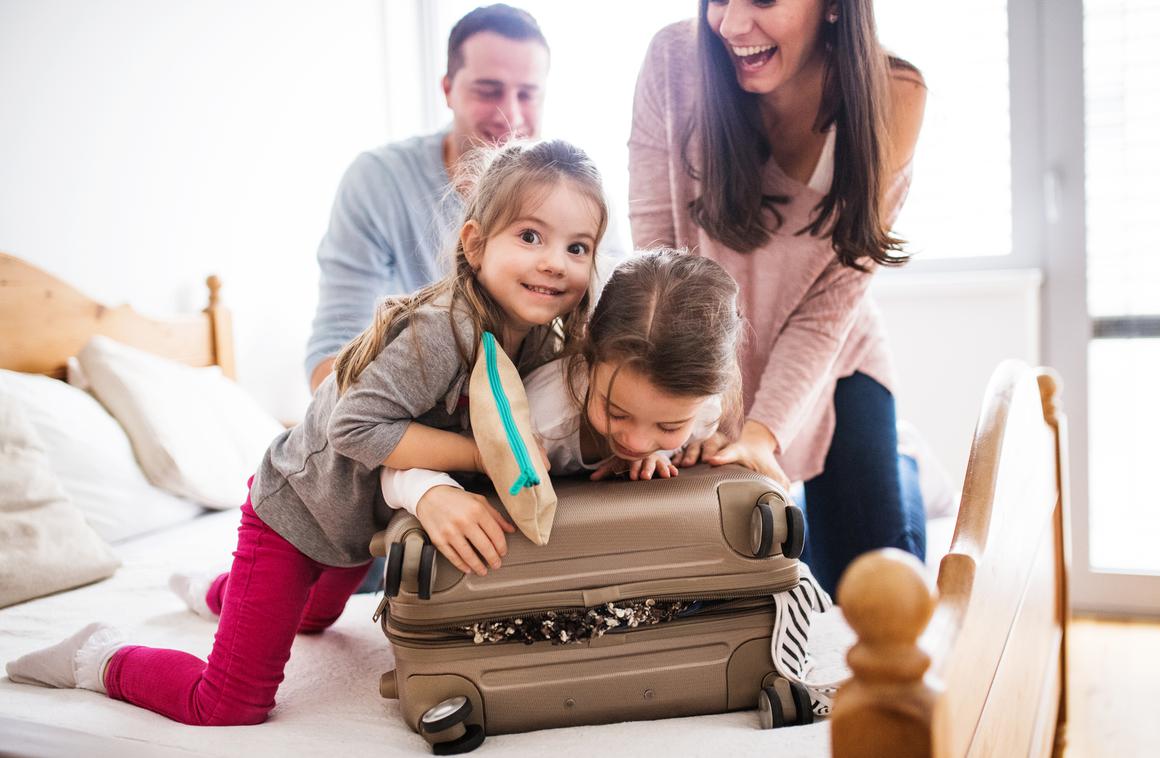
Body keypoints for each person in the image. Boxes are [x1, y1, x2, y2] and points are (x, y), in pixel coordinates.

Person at [4, 139, 609, 726]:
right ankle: (99, 656)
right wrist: (484, 455)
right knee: (228, 705)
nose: (556, 261)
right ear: (475, 245)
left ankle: (217, 593)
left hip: (357, 526)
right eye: (530, 236)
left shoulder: (540, 345)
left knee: (315, 621)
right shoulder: (439, 331)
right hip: (294, 514)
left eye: (577, 247)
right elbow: (357, 428)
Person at [382, 249, 840, 713]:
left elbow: (687, 436)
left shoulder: (702, 410)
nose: (638, 441)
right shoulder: (541, 412)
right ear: (587, 354)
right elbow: (397, 458)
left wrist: (682, 450)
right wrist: (429, 492)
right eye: (616, 412)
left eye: (666, 427)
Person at [627, 0, 928, 595]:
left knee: (873, 581)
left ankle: (903, 460)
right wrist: (699, 405)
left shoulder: (894, 94)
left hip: (833, 355)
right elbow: (657, 259)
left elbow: (830, 307)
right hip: (708, 351)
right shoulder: (674, 61)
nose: (732, 24)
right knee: (747, 573)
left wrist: (764, 432)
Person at [306, 3, 551, 393]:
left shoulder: (572, 190)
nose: (510, 114)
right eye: (488, 91)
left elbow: (611, 317)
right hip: (410, 417)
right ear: (448, 90)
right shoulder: (378, 182)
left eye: (527, 94)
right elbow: (332, 357)